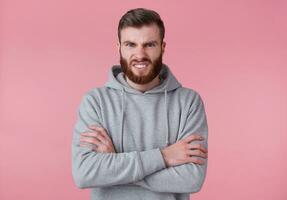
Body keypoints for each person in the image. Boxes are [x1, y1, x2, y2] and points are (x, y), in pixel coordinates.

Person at [72, 8, 208, 200]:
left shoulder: (188, 102)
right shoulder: (95, 102)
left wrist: (115, 163)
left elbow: (191, 179)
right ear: (119, 47)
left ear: (163, 47)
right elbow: (84, 173)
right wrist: (165, 157)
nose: (140, 54)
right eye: (130, 44)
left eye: (149, 44)